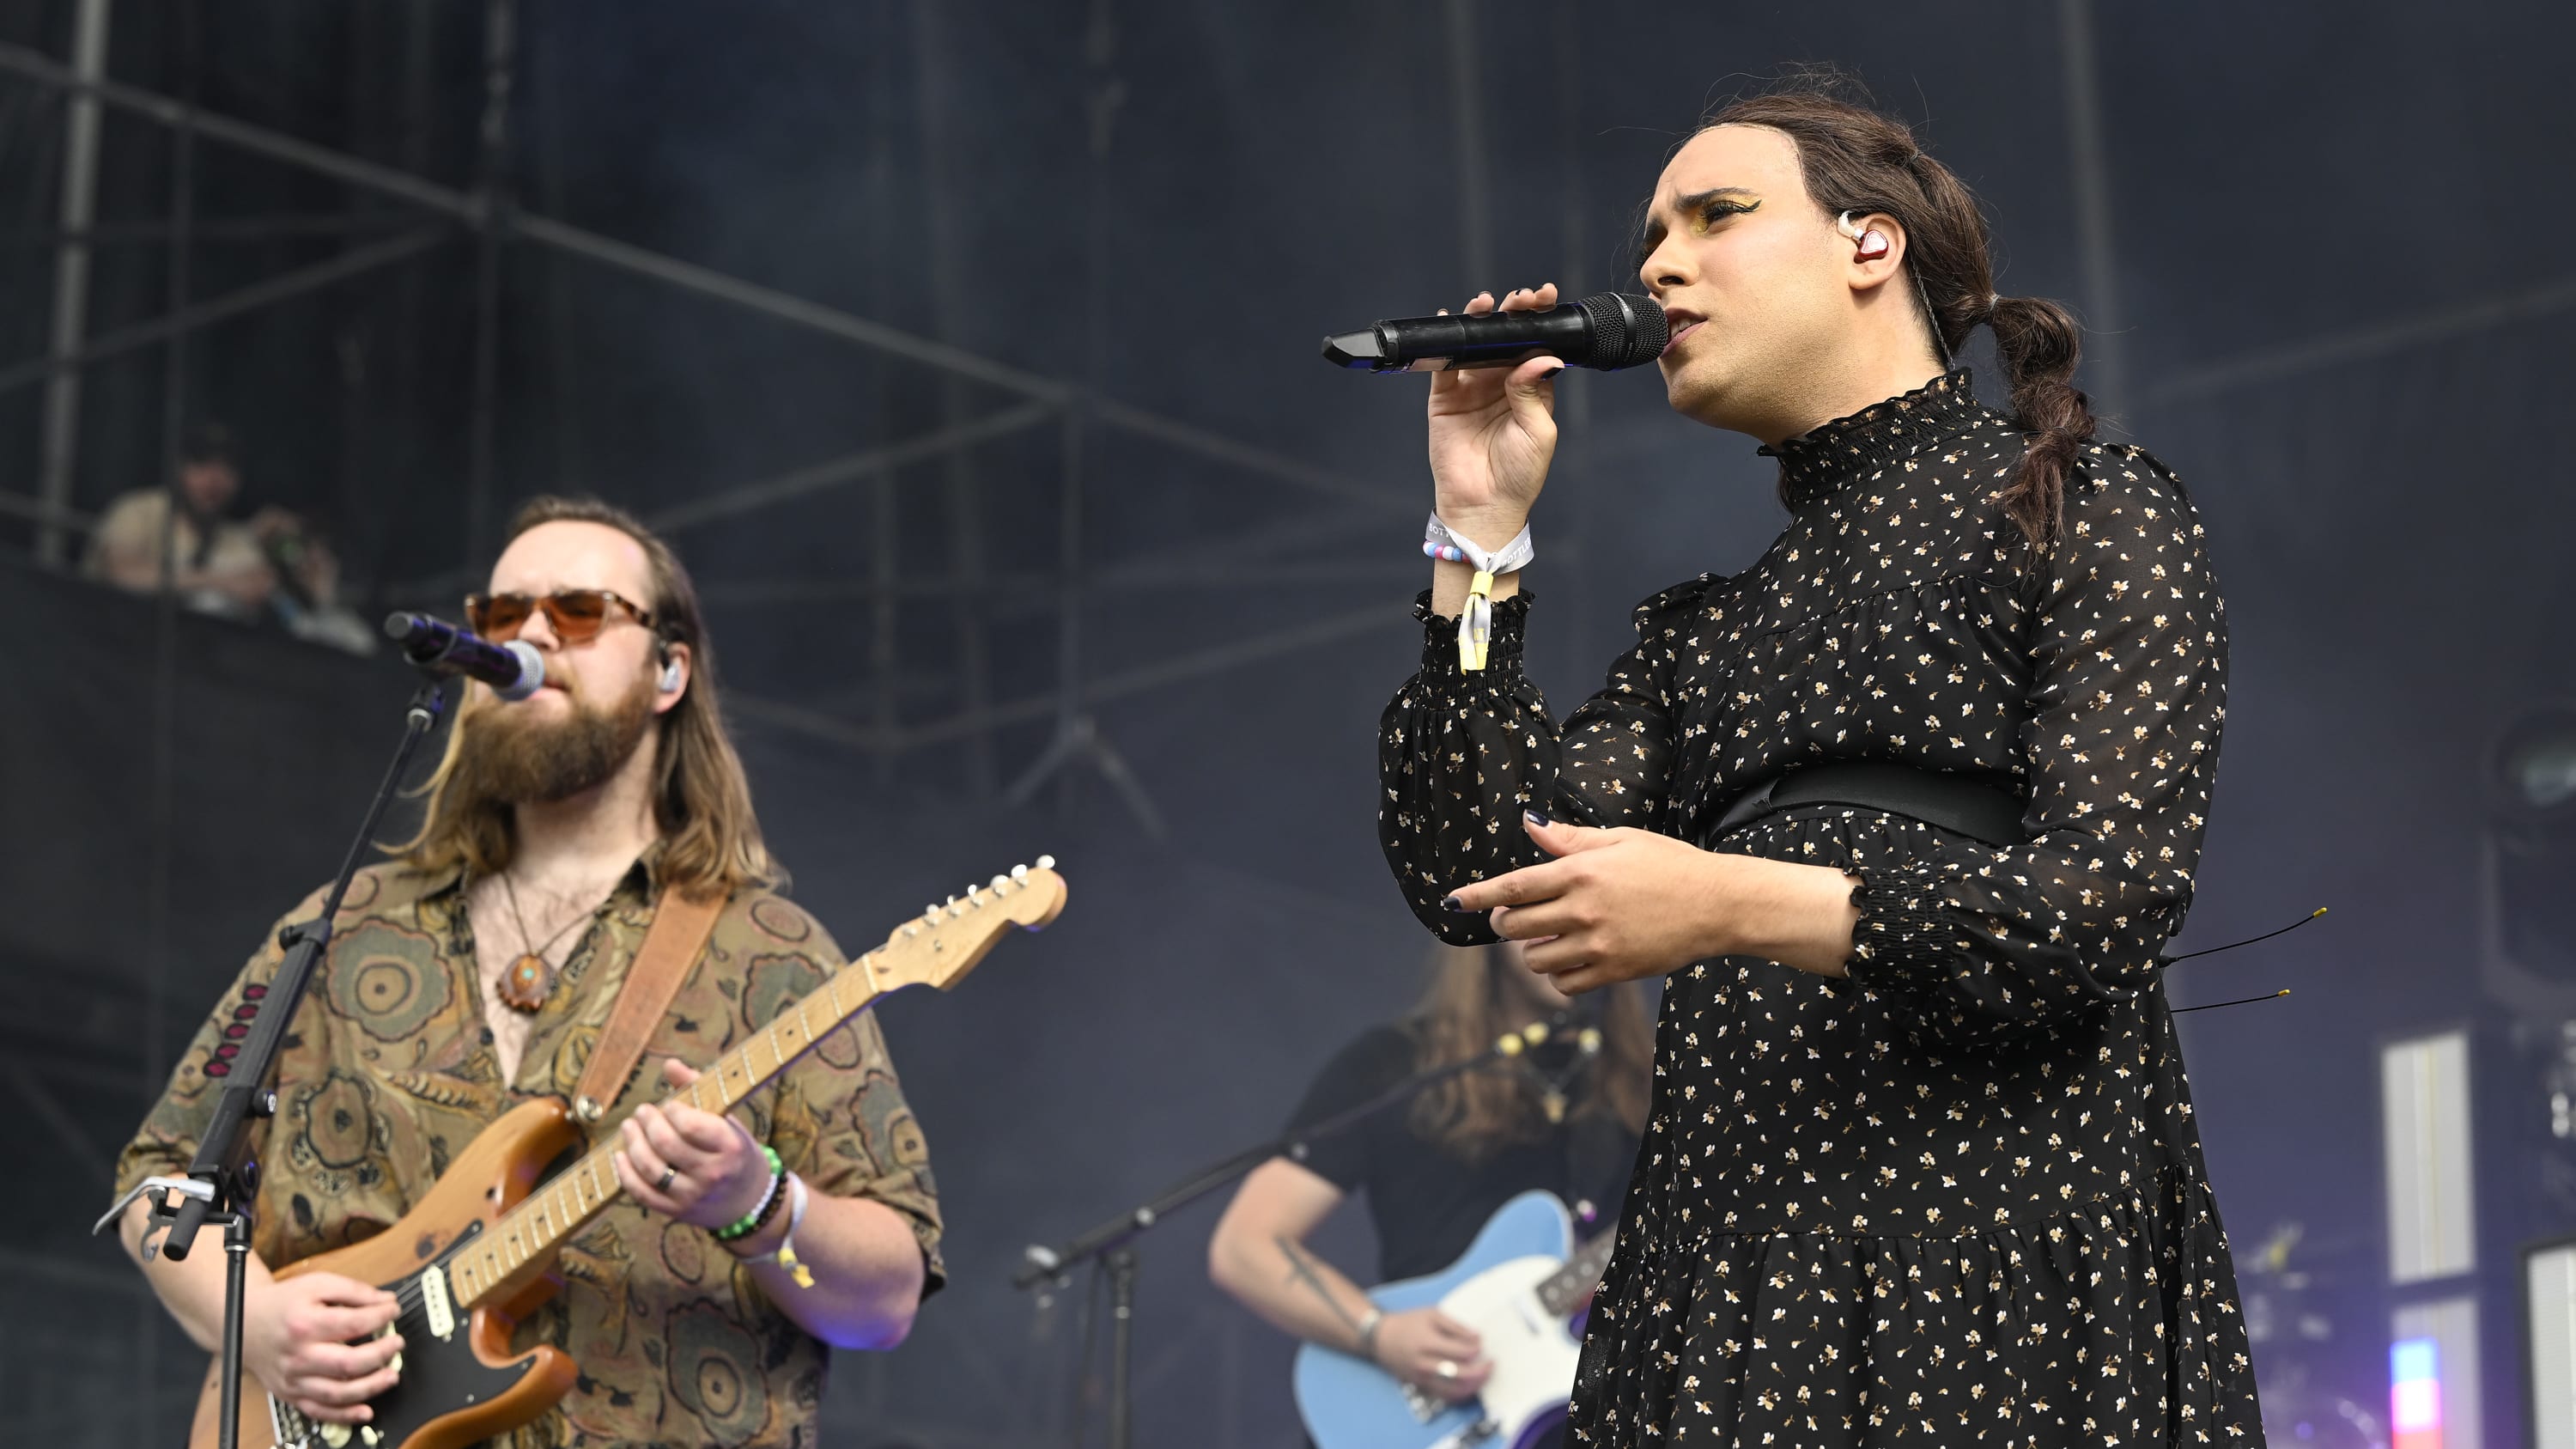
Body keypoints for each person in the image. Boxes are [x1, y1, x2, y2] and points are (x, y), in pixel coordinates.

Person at [1376, 77, 2259, 1446]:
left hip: (1993, 1249)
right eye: (1650, 240)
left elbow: (2103, 902)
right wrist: (1477, 537)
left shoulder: (2086, 505)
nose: (1659, 266)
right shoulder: (1706, 633)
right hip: (1728, 1281)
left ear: (1871, 243)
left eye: (1715, 215)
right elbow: (1481, 870)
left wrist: (1731, 899)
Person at [110, 496, 943, 1448]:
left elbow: (886, 1303)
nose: (532, 633)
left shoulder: (774, 955)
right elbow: (160, 1183)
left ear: (670, 670)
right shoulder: (341, 928)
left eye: (580, 611)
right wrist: (258, 1323)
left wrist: (758, 1202)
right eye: (503, 613)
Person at [1208, 942, 1652, 1447]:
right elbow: (1245, 1246)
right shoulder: (1392, 1065)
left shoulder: (1661, 1087)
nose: (1568, 929)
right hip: (1417, 1413)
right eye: (1543, 906)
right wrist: (1379, 1334)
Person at [84, 422, 374, 653]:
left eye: (227, 467)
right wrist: (221, 581)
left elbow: (274, 596)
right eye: (202, 463)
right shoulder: (141, 509)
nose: (215, 479)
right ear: (178, 467)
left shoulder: (237, 538)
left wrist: (305, 565)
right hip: (117, 652)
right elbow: (121, 575)